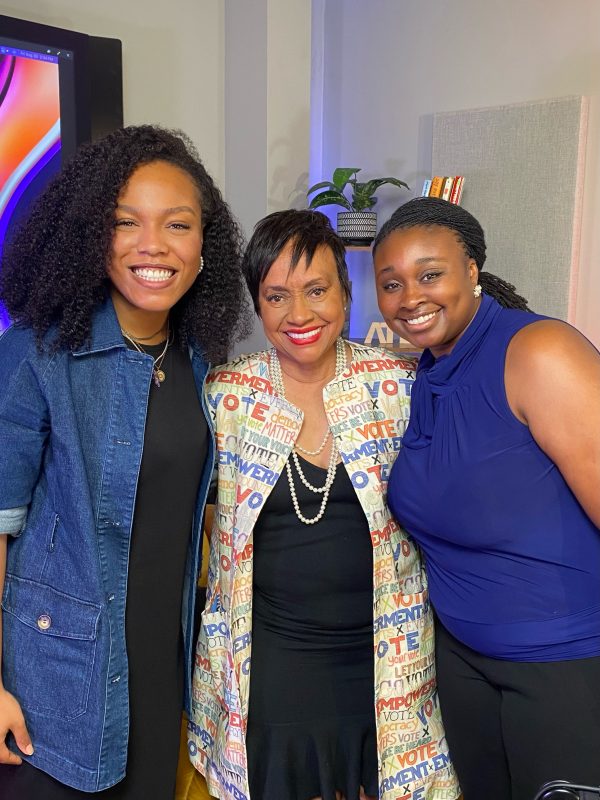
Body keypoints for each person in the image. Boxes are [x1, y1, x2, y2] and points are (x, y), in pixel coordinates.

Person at [0, 125, 251, 798]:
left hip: (162, 669)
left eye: (178, 224)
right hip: (52, 681)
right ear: (90, 238)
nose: (154, 245)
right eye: (125, 222)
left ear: (204, 246)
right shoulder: (36, 357)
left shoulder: (201, 363)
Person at [188, 209, 460, 800]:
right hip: (274, 657)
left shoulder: (400, 385)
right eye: (276, 296)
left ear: (345, 292)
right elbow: (202, 516)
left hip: (390, 653)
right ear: (257, 305)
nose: (299, 314)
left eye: (317, 290)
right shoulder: (226, 394)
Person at [372, 196, 600, 800]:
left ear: (472, 270)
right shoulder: (425, 372)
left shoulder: (538, 352)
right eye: (391, 284)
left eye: (430, 275)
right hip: (464, 663)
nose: (410, 297)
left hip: (564, 664)